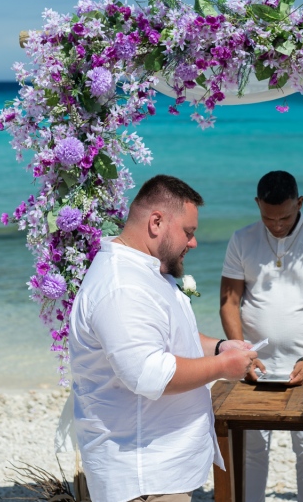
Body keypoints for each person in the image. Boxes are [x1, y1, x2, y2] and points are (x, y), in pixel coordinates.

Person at [69, 175, 257, 502]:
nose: (194, 242)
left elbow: (171, 335)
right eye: (188, 232)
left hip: (159, 470)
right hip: (140, 476)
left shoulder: (147, 269)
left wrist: (219, 347)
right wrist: (223, 366)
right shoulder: (122, 287)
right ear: (156, 222)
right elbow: (148, 373)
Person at [220, 170, 303, 502]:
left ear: (300, 203)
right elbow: (229, 303)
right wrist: (242, 353)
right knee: (252, 448)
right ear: (257, 204)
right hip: (254, 364)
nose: (276, 225)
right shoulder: (241, 239)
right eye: (268, 217)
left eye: (285, 217)